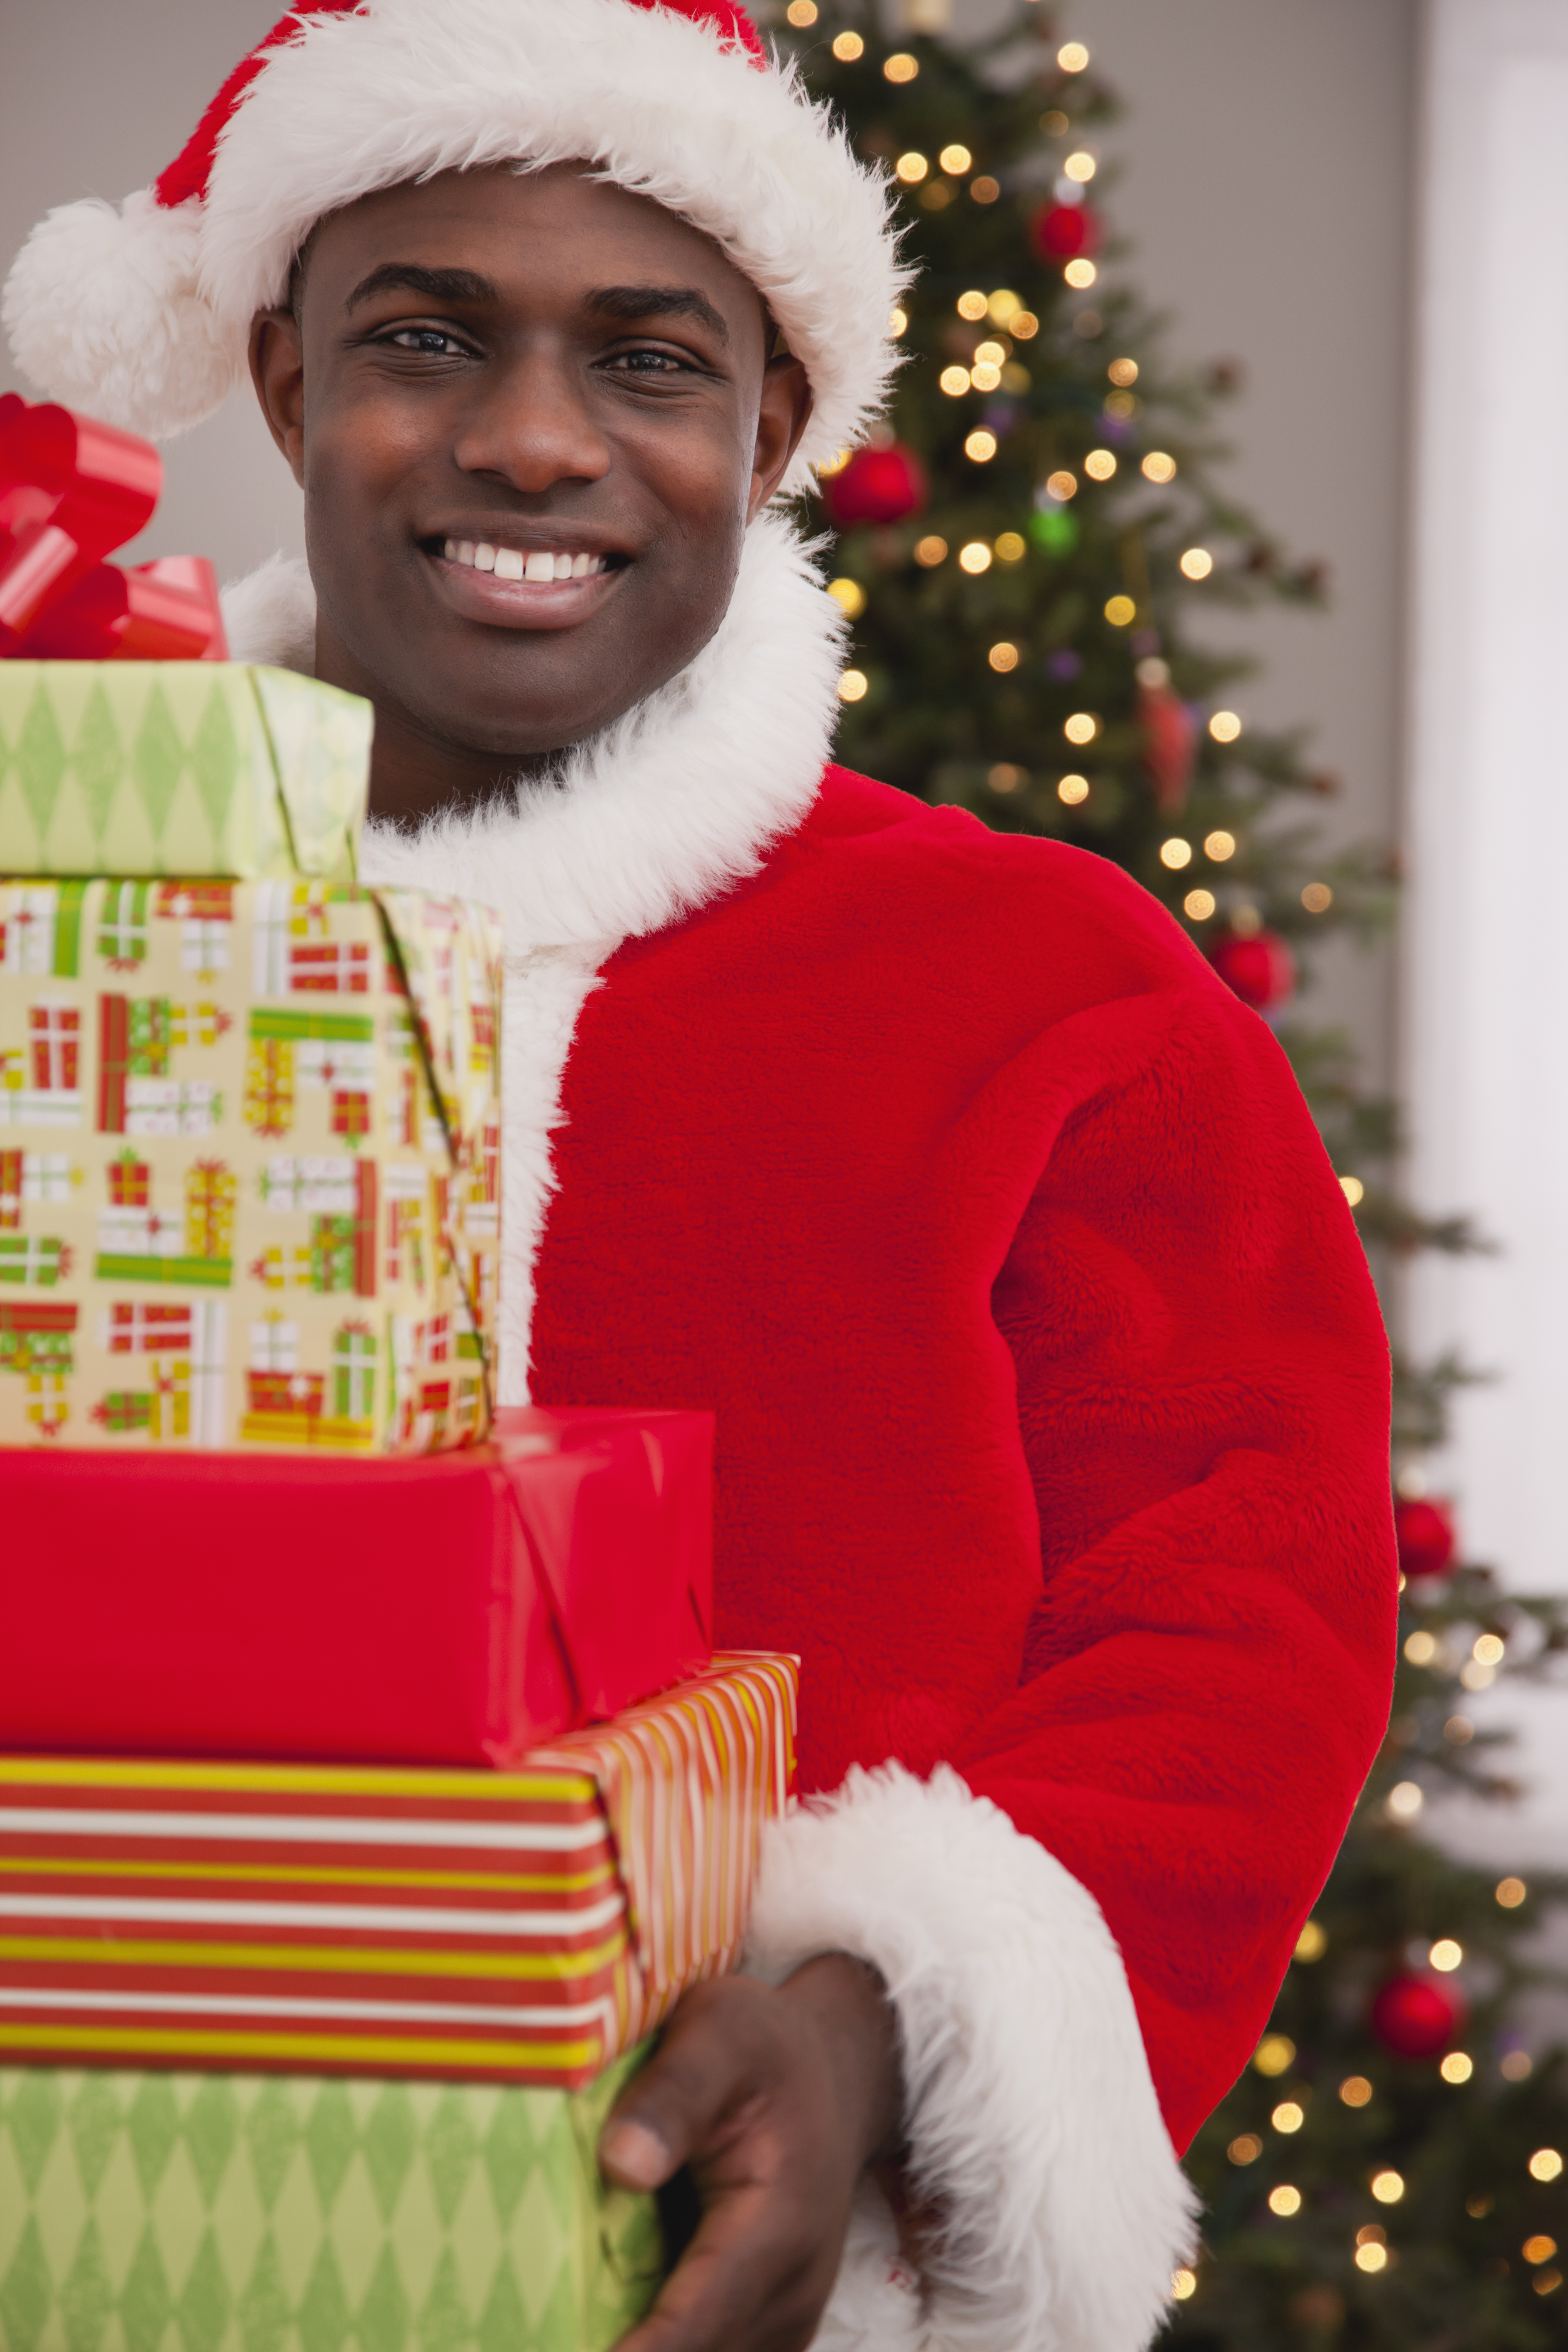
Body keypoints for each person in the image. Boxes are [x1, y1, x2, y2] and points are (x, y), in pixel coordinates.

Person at [4, 3, 1397, 2346]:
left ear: (767, 428)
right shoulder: (63, 925)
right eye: (424, 337)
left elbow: (1235, 1616)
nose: (531, 439)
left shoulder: (1045, 984)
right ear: (277, 384)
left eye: (644, 361)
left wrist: (885, 2021)